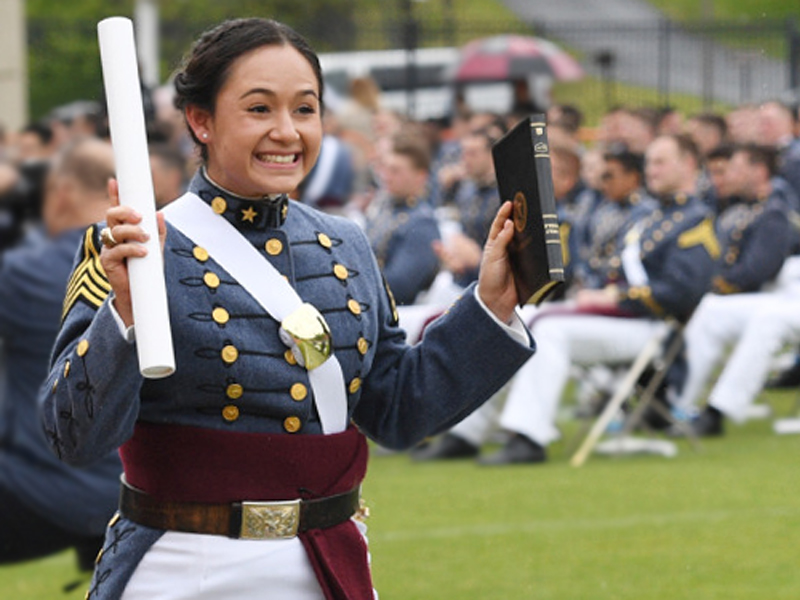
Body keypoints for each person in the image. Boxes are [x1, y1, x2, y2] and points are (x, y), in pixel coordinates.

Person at [39, 18, 534, 600]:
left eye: (305, 109)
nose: (287, 132)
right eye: (258, 109)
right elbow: (73, 437)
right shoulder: (133, 245)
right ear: (201, 121)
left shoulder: (347, 244)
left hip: (327, 563)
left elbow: (399, 409)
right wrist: (122, 313)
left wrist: (492, 305)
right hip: (181, 565)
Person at [479, 134, 719, 465]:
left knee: (550, 333)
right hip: (620, 320)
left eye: (661, 161)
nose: (652, 169)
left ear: (689, 164)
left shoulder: (697, 220)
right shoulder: (651, 217)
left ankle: (528, 437)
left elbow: (681, 293)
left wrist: (613, 296)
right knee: (517, 322)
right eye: (650, 161)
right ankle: (468, 431)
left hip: (653, 329)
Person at [0, 138, 121, 570]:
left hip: (47, 489)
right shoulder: (167, 265)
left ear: (64, 191)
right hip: (139, 489)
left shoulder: (28, 274)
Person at [364, 133, 441, 305]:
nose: (387, 176)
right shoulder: (386, 205)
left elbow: (400, 287)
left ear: (420, 176)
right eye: (386, 169)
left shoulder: (422, 223)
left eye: (396, 171)